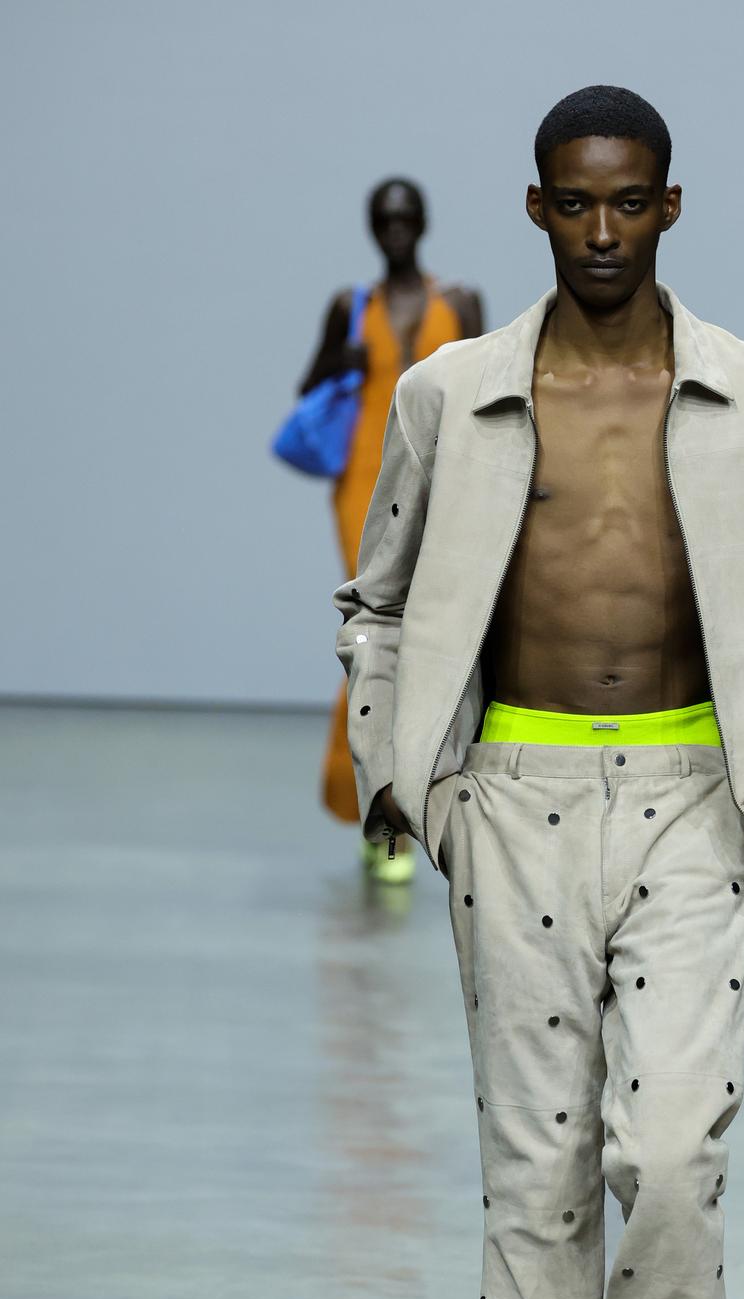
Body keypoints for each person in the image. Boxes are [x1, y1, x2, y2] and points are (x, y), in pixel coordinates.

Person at [333, 85, 744, 1299]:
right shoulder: (451, 396)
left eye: (630, 204)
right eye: (576, 205)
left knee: (674, 1161)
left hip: (698, 801)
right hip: (520, 809)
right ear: (539, 207)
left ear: (670, 207)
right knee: (535, 1190)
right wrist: (414, 782)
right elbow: (381, 595)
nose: (605, 232)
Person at [299, 178, 483, 882]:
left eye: (406, 218)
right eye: (385, 220)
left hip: (444, 481)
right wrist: (338, 362)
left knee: (431, 638)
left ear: (424, 223)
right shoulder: (352, 307)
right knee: (375, 635)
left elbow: (489, 390)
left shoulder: (458, 304)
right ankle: (380, 812)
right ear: (374, 228)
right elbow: (307, 388)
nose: (397, 229)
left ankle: (415, 797)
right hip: (364, 485)